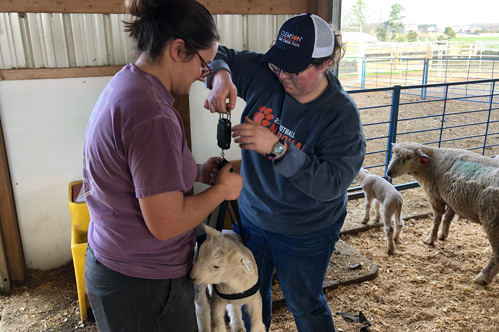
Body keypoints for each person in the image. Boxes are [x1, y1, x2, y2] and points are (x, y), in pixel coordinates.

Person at [82, 0, 243, 331]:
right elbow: (166, 224)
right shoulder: (152, 114)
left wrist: (196, 172)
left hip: (116, 262)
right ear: (178, 49)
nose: (204, 76)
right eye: (204, 64)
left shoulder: (129, 84)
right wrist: (221, 192)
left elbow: (139, 173)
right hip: (143, 284)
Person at [205, 13, 366, 332]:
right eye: (279, 65)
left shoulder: (340, 116)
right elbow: (218, 52)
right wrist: (222, 75)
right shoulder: (266, 74)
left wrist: (277, 149)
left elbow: (331, 183)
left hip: (305, 228)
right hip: (253, 215)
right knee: (249, 290)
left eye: (294, 69)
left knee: (303, 303)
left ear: (325, 64)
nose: (283, 76)